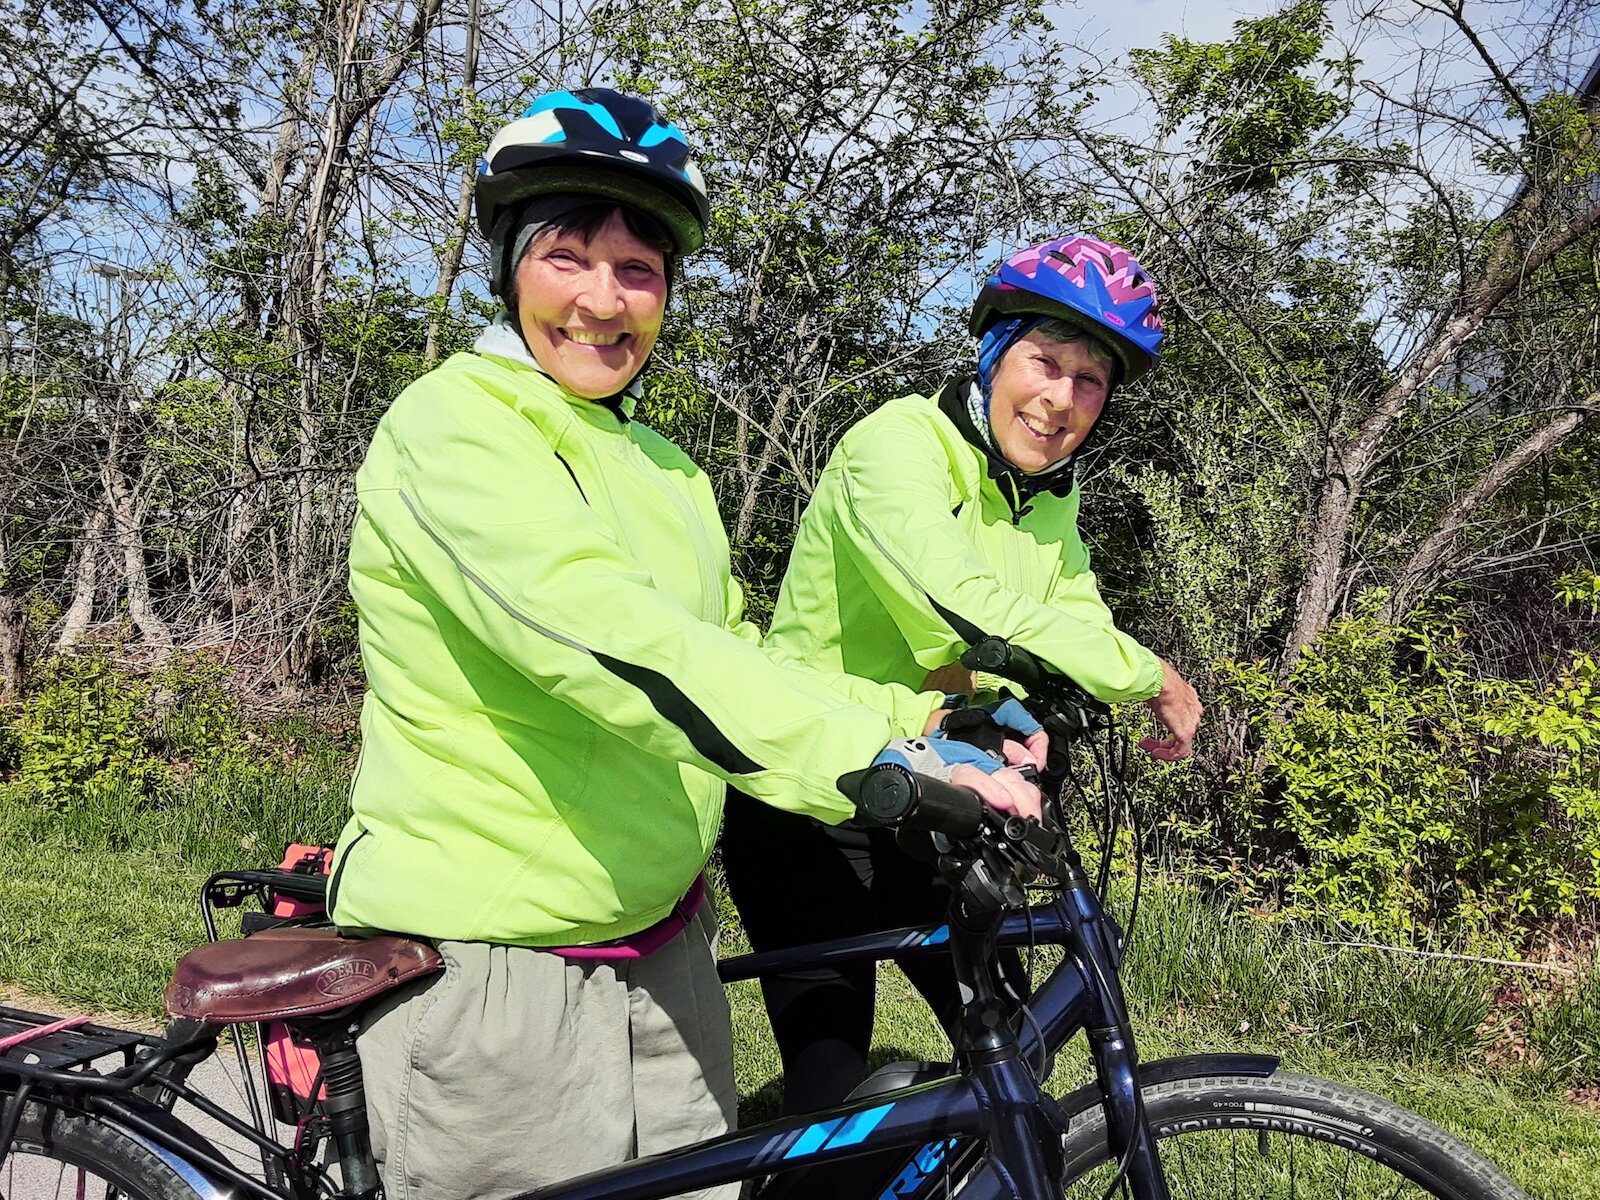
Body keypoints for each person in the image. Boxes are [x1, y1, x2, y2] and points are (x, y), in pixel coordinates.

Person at [324, 88, 1040, 1200]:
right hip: (491, 964)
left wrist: (922, 719)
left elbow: (733, 649)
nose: (603, 301)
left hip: (661, 943)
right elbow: (622, 649)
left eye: (640, 273)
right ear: (510, 266)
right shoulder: (453, 427)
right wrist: (867, 766)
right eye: (569, 257)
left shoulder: (664, 467)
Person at [721, 234, 1205, 1115]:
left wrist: (1061, 702)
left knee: (1015, 1045)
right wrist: (1148, 676)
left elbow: (1074, 607)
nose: (1059, 401)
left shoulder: (1049, 494)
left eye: (1088, 381)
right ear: (992, 354)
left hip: (939, 788)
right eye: (1043, 361)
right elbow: (960, 606)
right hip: (813, 795)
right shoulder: (895, 446)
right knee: (830, 1089)